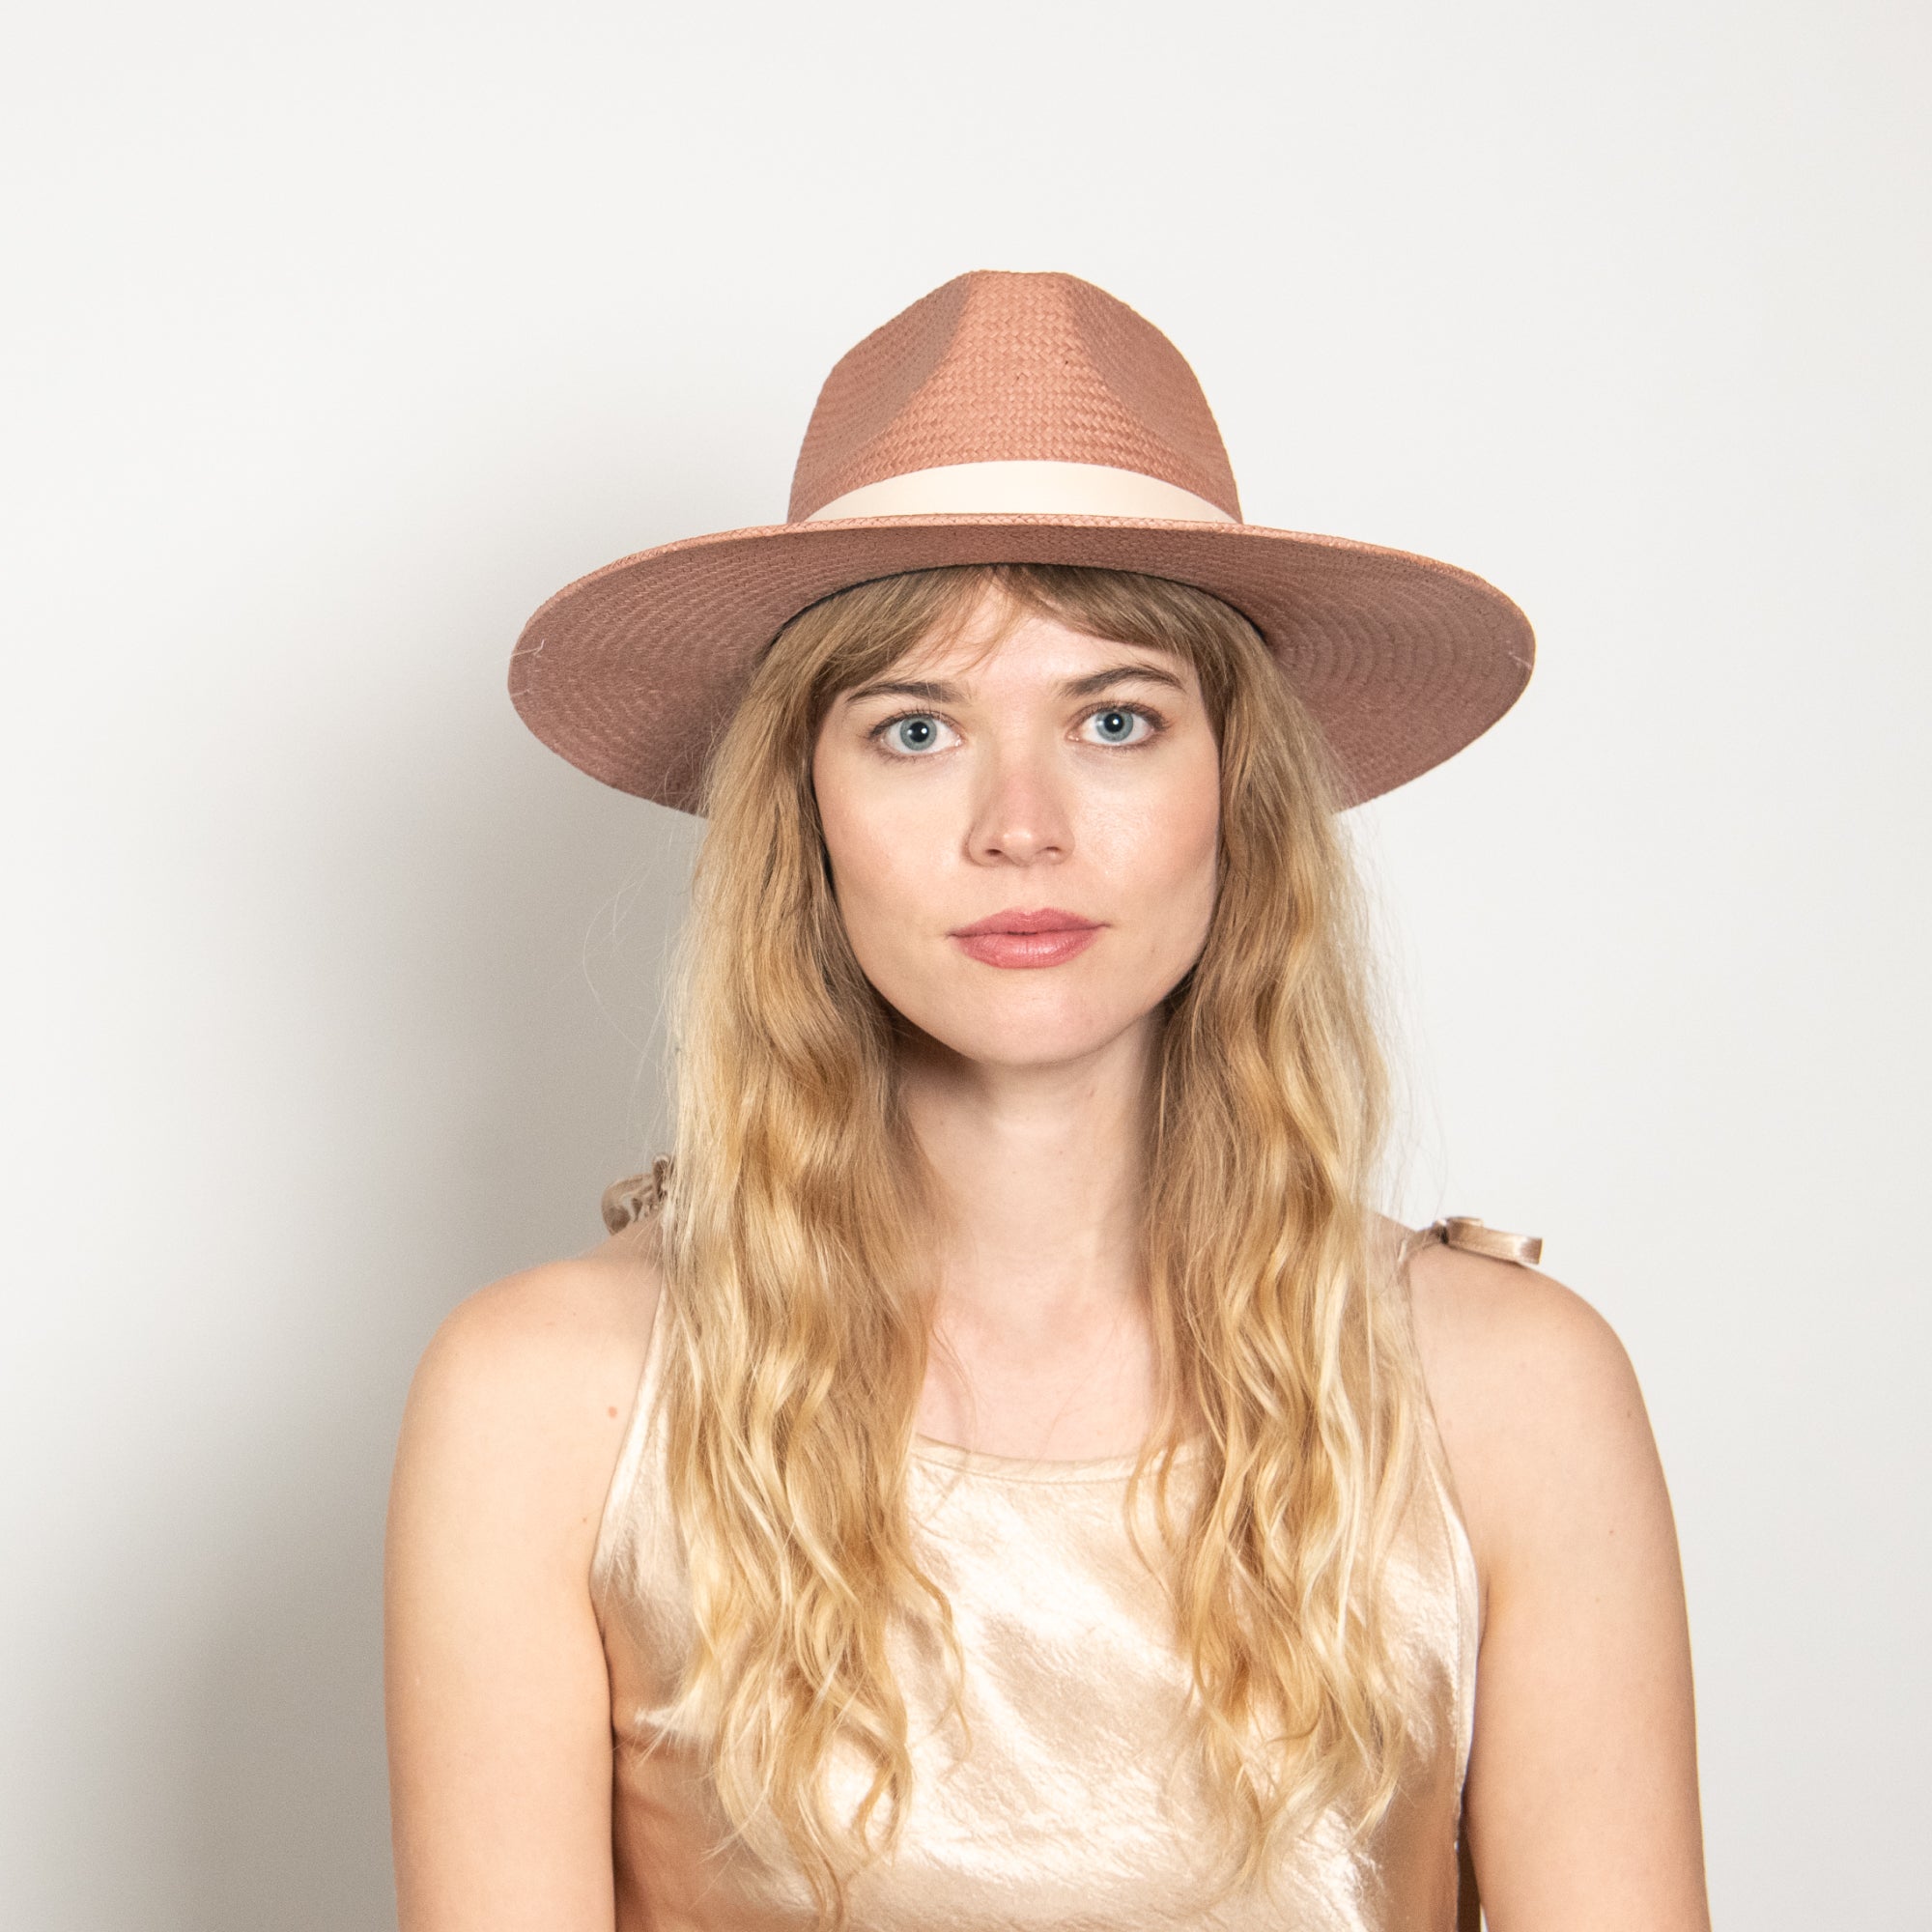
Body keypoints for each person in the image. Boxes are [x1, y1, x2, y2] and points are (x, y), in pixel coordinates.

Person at [384, 271, 1711, 1931]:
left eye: (1115, 718)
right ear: (803, 809)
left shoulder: (1511, 1391)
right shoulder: (548, 1403)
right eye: (919, 725)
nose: (1023, 823)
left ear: (1239, 793)